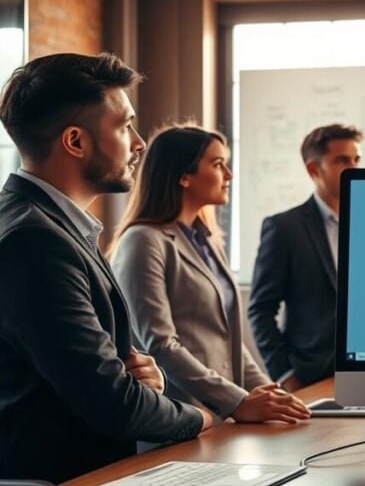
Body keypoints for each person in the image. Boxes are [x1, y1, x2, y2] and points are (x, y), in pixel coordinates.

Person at [0, 53, 211, 483]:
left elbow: (113, 377)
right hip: (65, 480)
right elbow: (114, 404)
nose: (138, 143)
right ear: (75, 142)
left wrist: (138, 379)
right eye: (123, 125)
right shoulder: (34, 241)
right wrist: (202, 417)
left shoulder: (51, 225)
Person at [110, 126, 310, 425]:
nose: (228, 175)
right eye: (217, 164)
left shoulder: (205, 239)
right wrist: (238, 401)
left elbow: (228, 338)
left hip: (222, 415)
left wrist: (271, 394)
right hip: (180, 417)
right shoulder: (143, 240)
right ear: (184, 176)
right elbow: (160, 344)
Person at [249, 124, 362, 391]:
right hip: (310, 376)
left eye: (357, 159)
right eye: (342, 160)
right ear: (314, 169)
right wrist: (285, 374)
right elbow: (261, 310)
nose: (355, 168)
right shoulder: (284, 228)